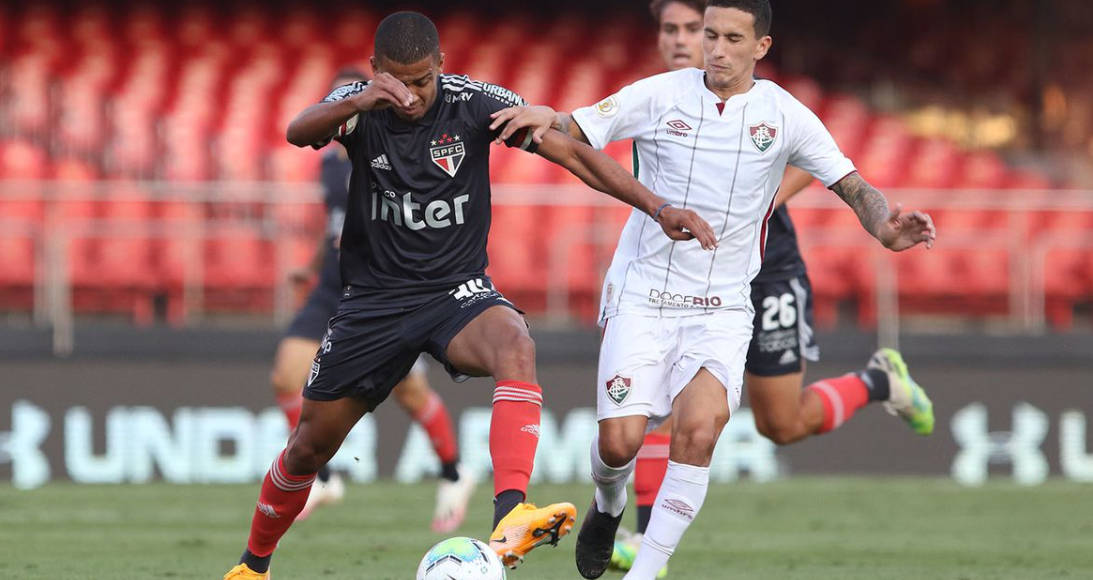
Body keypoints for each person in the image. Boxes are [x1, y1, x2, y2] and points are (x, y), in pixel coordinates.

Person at [222, 11, 717, 580]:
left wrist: (657, 207)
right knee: (309, 446)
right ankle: (252, 566)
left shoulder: (475, 104)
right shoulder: (357, 108)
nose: (409, 96)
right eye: (396, 81)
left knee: (514, 343)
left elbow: (574, 154)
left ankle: (511, 514)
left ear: (441, 66)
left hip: (454, 291)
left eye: (422, 80)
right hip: (375, 301)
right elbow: (298, 130)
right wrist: (359, 102)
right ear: (376, 69)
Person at [489, 1, 937, 578]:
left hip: (723, 305)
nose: (716, 49)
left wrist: (883, 227)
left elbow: (852, 184)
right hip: (643, 294)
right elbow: (576, 130)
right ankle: (608, 503)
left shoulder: (785, 115)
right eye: (710, 35)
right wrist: (548, 115)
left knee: (698, 433)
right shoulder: (659, 94)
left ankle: (647, 571)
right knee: (620, 444)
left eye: (731, 38)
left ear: (761, 47)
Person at [271, 68, 476, 531]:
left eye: (349, 98)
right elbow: (336, 222)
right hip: (332, 282)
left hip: (380, 285)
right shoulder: (327, 161)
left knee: (408, 390)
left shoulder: (392, 147)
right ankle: (322, 478)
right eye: (333, 101)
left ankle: (454, 471)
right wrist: (312, 262)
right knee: (286, 374)